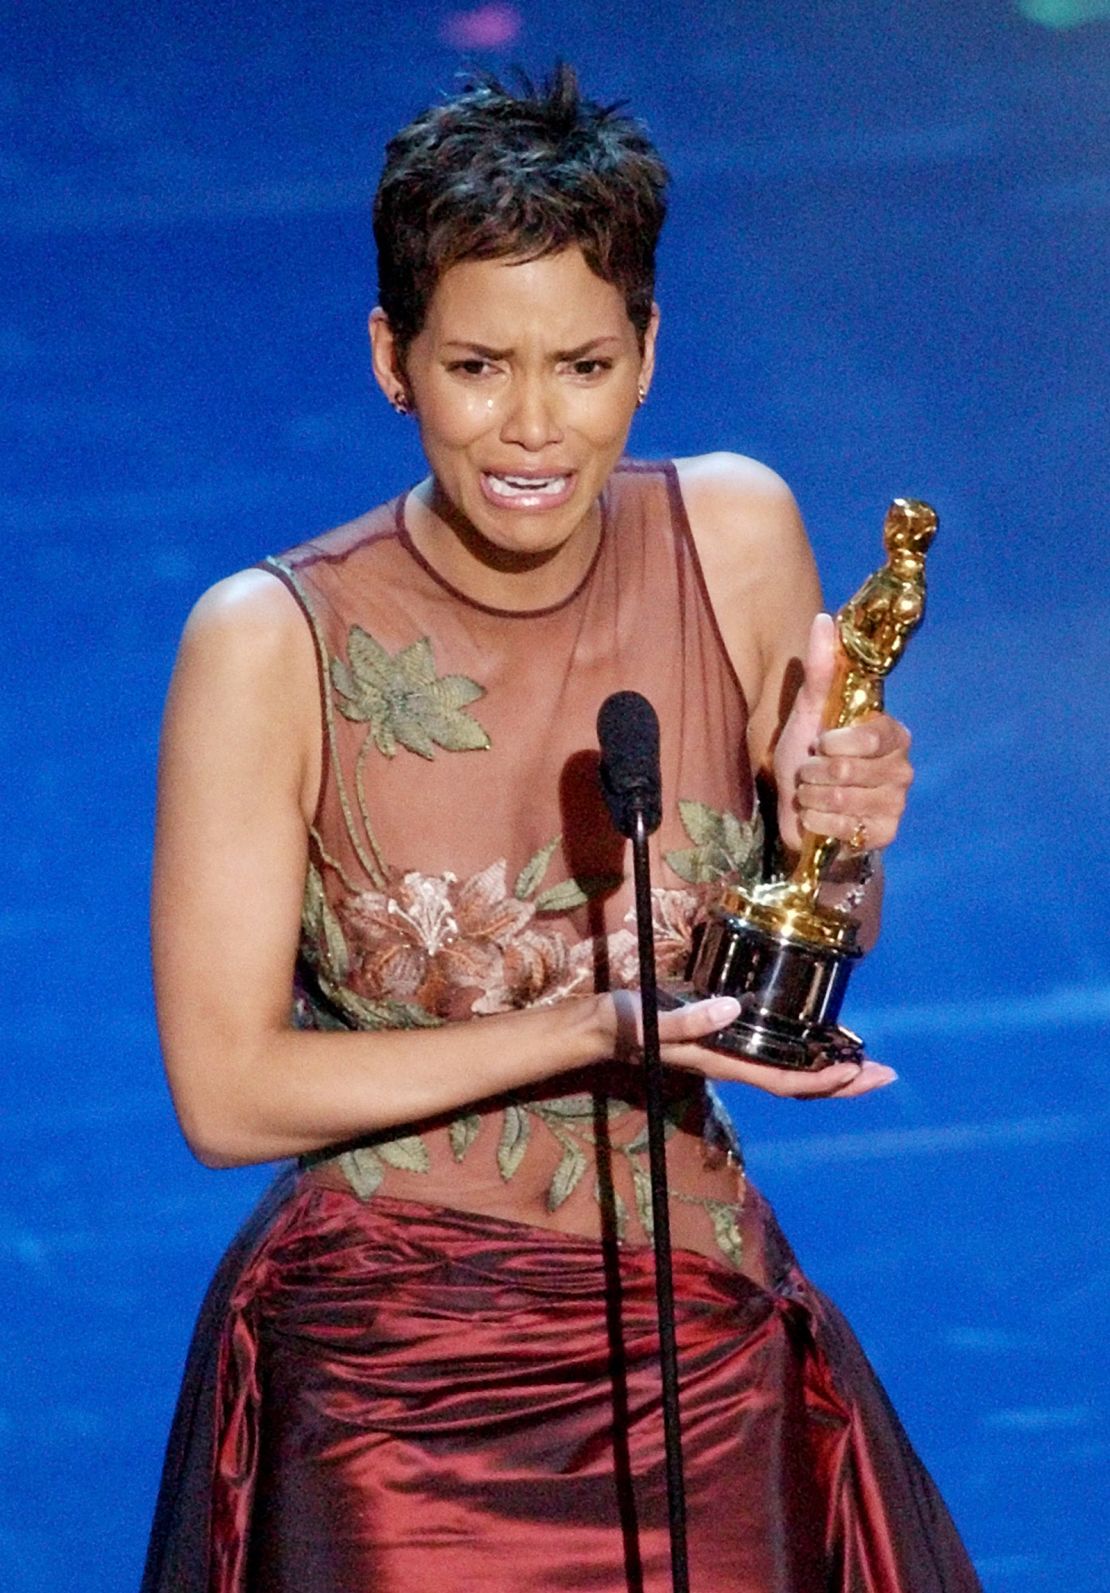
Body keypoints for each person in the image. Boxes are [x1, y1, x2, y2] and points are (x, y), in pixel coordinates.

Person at [142, 67, 981, 1593]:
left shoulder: (731, 530)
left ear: (647, 354)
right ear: (391, 361)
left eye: (581, 363)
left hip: (693, 1346)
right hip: (389, 1387)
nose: (531, 425)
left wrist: (837, 838)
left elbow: (810, 942)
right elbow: (227, 1093)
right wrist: (596, 1026)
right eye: (475, 364)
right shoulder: (271, 640)